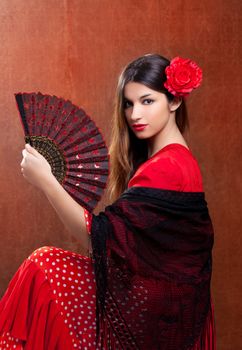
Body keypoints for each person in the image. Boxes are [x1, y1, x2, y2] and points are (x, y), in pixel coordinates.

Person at [0, 54, 216, 349]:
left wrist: (47, 181)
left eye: (147, 101)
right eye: (128, 103)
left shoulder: (168, 166)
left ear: (174, 101)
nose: (135, 114)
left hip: (153, 314)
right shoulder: (174, 161)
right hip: (160, 307)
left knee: (44, 267)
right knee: (45, 268)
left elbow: (98, 238)